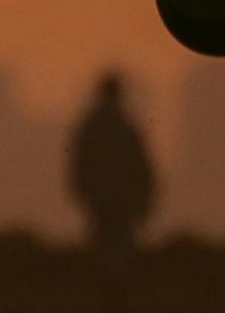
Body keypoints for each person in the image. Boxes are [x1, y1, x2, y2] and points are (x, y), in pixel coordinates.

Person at [66, 71, 156, 311]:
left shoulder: (91, 126)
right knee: (118, 251)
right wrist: (143, 199)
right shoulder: (126, 127)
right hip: (119, 200)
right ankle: (113, 296)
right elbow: (143, 167)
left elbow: (78, 164)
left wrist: (83, 192)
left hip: (101, 198)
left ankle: (108, 295)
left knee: (103, 250)